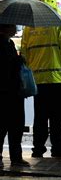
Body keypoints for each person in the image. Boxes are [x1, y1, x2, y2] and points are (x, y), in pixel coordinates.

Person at [21, 0, 61, 158]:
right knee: (56, 116)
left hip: (38, 79)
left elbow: (24, 52)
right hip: (57, 78)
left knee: (40, 116)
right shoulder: (59, 20)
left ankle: (38, 149)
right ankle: (57, 148)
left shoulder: (30, 25)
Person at [0, 24, 30, 167]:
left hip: (14, 91)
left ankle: (16, 156)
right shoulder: (2, 44)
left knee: (16, 126)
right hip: (5, 92)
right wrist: (17, 61)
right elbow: (6, 65)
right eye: (12, 26)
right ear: (5, 28)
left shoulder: (10, 43)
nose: (15, 29)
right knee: (4, 126)